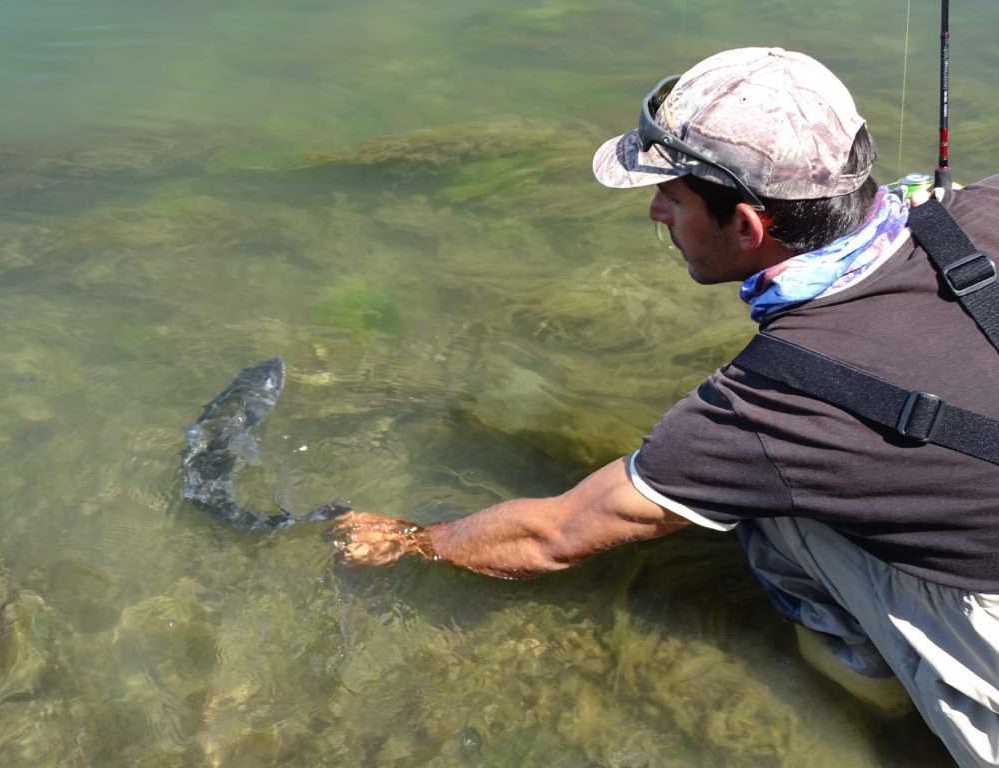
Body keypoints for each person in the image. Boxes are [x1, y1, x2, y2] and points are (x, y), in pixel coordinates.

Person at [331, 47, 999, 767]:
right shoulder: (986, 205)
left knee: (770, 517)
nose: (654, 211)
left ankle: (873, 694)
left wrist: (411, 541)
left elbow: (551, 536)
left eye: (671, 198)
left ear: (747, 226)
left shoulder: (767, 407)